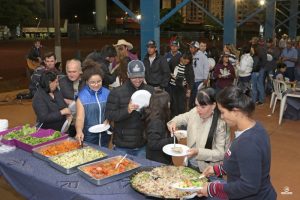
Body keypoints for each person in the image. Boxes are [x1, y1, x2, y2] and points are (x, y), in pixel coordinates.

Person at [198, 86, 277, 200]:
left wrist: (212, 189)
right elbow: (241, 162)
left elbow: (249, 186)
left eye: (223, 112)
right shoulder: (255, 127)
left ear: (235, 111)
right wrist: (217, 169)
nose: (221, 116)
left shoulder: (247, 143)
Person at [167, 87, 229, 172]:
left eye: (203, 107)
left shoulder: (221, 123)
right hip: (190, 163)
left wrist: (198, 152)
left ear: (214, 105)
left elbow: (220, 153)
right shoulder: (195, 111)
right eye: (196, 105)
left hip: (208, 170)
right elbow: (181, 118)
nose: (198, 109)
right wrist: (173, 122)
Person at [105, 60, 154, 157]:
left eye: (140, 76)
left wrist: (148, 110)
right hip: (122, 144)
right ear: (128, 74)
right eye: (134, 77)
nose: (138, 80)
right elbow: (109, 114)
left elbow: (155, 115)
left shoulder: (150, 90)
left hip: (142, 142)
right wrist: (127, 110)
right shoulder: (117, 92)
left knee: (142, 171)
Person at [75, 60, 110, 147]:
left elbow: (112, 110)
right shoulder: (82, 97)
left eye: (99, 81)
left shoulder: (108, 93)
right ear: (87, 82)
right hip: (89, 136)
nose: (96, 85)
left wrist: (109, 119)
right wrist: (79, 131)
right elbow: (80, 118)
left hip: (105, 134)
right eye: (92, 82)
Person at [145, 88, 174, 164]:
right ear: (163, 104)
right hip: (157, 159)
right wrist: (173, 139)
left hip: (159, 156)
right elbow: (153, 144)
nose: (169, 104)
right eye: (168, 102)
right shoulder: (156, 121)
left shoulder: (156, 115)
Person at [58, 59, 82, 137]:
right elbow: (55, 99)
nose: (71, 74)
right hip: (67, 121)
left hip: (83, 121)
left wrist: (73, 102)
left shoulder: (86, 82)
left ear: (80, 70)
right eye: (69, 72)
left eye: (74, 72)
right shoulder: (60, 82)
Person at [168, 52, 194, 117]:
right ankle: (173, 121)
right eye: (185, 60)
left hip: (182, 88)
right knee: (173, 105)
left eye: (188, 60)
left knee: (181, 106)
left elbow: (191, 78)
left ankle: (181, 121)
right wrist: (170, 74)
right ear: (181, 58)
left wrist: (189, 90)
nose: (186, 62)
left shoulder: (189, 66)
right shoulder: (174, 61)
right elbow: (167, 68)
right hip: (172, 86)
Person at [188, 41, 210, 109]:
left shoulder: (202, 56)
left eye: (192, 47)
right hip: (192, 80)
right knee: (191, 97)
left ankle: (199, 111)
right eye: (190, 47)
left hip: (200, 80)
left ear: (196, 48)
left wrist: (205, 78)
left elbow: (206, 67)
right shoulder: (190, 55)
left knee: (198, 98)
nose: (190, 49)